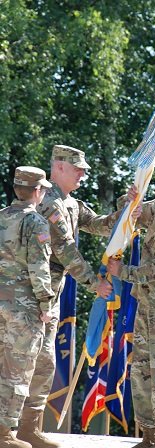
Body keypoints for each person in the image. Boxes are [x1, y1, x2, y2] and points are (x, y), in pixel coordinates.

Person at [17, 145, 121, 448]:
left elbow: (99, 225)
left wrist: (127, 209)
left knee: (43, 361)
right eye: (78, 168)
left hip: (50, 293)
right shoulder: (48, 202)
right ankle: (16, 428)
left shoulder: (69, 203)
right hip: (32, 294)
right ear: (59, 167)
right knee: (29, 360)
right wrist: (94, 283)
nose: (83, 173)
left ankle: (26, 428)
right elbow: (64, 249)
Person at [107, 161, 155, 448]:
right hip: (145, 304)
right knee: (140, 369)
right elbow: (132, 213)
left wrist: (123, 273)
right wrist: (130, 200)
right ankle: (149, 433)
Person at [0, 167, 54, 448]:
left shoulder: (1, 216)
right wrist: (46, 303)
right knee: (17, 370)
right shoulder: (35, 221)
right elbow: (39, 267)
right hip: (23, 308)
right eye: (43, 189)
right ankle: (5, 434)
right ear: (36, 192)